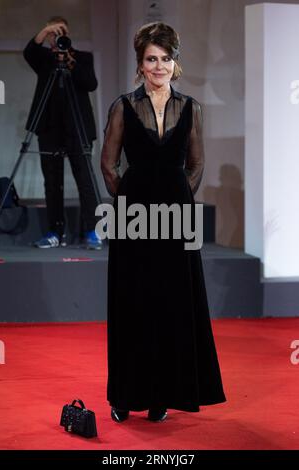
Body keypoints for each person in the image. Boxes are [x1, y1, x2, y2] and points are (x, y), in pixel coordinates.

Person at [101, 22, 226, 422]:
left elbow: (197, 163)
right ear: (140, 65)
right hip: (133, 218)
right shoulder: (123, 105)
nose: (159, 66)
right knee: (132, 303)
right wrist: (129, 203)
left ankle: (161, 396)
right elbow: (108, 164)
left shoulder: (192, 108)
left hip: (177, 217)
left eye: (166, 58)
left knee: (173, 304)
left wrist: (180, 198)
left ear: (176, 62)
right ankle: (125, 395)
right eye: (151, 59)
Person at [23, 16, 102, 249]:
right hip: (49, 128)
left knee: (85, 180)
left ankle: (92, 231)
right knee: (52, 182)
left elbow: (90, 84)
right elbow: (29, 52)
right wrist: (44, 31)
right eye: (53, 33)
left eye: (61, 32)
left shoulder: (82, 58)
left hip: (77, 128)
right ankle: (55, 232)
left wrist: (69, 60)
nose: (57, 38)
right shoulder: (44, 60)